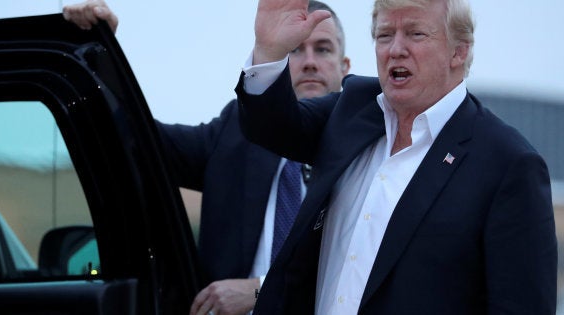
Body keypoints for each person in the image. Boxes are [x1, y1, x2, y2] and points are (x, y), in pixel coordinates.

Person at [235, 0, 558, 314]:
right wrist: (269, 51)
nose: (395, 49)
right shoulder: (353, 109)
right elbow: (271, 127)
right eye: (385, 35)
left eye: (416, 34)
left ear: (459, 50)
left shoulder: (508, 163)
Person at [62, 1, 350, 314]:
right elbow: (138, 143)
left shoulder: (372, 147)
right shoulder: (235, 134)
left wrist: (259, 289)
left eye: (323, 49)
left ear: (344, 66)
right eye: (295, 49)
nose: (309, 62)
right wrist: (98, 54)